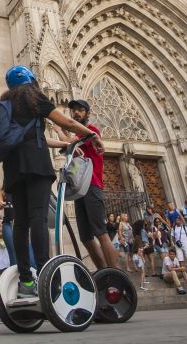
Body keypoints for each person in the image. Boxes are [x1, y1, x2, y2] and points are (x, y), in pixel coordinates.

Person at [0, 65, 101, 297]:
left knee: (21, 224)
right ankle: (45, 274)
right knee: (38, 218)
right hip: (36, 166)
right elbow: (68, 123)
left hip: (13, 169)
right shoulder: (34, 98)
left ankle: (26, 281)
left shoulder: (6, 104)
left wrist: (65, 145)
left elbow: (36, 137)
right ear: (30, 81)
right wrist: (91, 135)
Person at [53, 99, 117, 269]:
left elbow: (69, 143)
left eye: (81, 110)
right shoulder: (80, 134)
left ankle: (117, 276)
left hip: (92, 185)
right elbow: (70, 146)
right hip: (80, 189)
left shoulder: (91, 131)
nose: (76, 113)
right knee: (86, 238)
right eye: (74, 110)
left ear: (88, 113)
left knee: (101, 232)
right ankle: (104, 274)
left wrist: (60, 129)